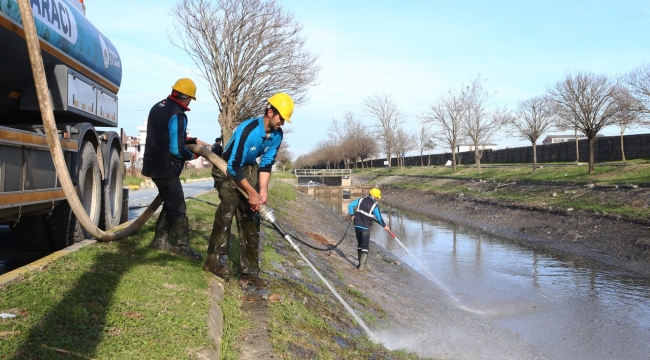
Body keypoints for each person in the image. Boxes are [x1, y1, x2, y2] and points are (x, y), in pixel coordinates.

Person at [204, 93, 294, 287]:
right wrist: (250, 192)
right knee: (228, 207)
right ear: (270, 112)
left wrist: (262, 192)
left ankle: (250, 272)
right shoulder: (249, 129)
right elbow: (233, 165)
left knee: (252, 218)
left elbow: (267, 164)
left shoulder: (277, 135)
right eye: (281, 118)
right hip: (226, 168)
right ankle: (214, 260)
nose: (282, 123)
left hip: (248, 169)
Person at [141, 78, 202, 261]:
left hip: (152, 164)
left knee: (170, 202)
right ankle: (183, 246)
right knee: (178, 206)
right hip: (166, 168)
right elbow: (176, 149)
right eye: (190, 99)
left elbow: (163, 135)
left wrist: (187, 141)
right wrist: (193, 155)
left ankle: (159, 240)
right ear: (187, 98)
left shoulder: (157, 107)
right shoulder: (178, 114)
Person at [347, 188, 391, 271]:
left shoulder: (360, 200)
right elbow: (379, 218)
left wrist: (352, 215)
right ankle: (361, 267)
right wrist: (385, 226)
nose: (378, 199)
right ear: (375, 197)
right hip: (365, 228)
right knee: (365, 247)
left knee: (360, 244)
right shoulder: (374, 206)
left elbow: (350, 206)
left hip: (357, 226)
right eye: (377, 197)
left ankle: (360, 264)